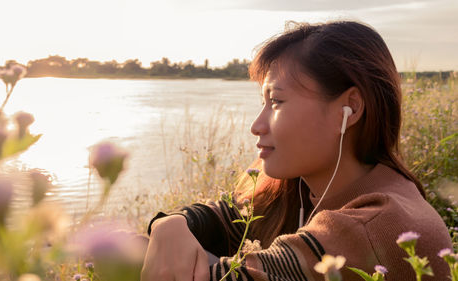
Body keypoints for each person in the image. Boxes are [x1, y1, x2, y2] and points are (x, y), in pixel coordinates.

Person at [140, 21, 453, 281]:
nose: (256, 125)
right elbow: (225, 217)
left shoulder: (377, 225)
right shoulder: (299, 188)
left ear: (349, 108)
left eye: (276, 101)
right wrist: (168, 223)